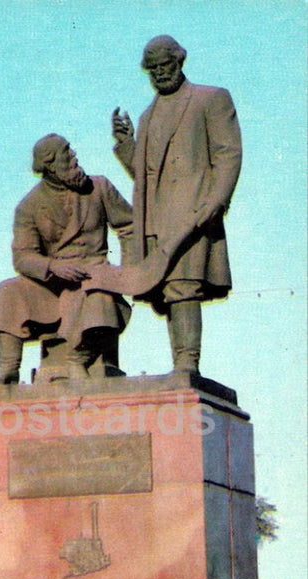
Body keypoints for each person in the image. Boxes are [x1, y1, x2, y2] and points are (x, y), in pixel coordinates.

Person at [112, 35, 242, 373]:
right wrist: (128, 145)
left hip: (193, 213)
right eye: (151, 69)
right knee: (168, 291)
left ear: (179, 61)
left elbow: (228, 154)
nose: (158, 73)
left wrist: (217, 201)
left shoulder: (210, 99)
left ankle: (187, 364)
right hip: (156, 219)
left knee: (184, 287)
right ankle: (182, 364)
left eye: (163, 65)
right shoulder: (146, 116)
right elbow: (146, 177)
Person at [0, 134, 134, 384]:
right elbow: (23, 257)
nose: (74, 156)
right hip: (54, 282)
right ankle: (8, 368)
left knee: (99, 295)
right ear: (51, 164)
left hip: (95, 273)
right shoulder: (29, 206)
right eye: (67, 152)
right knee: (9, 290)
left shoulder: (99, 187)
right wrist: (54, 266)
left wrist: (128, 270)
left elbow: (129, 225)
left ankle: (77, 361)